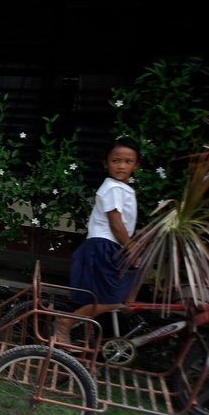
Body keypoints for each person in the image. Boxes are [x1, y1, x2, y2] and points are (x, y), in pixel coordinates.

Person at [54, 138, 141, 345]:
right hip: (104, 246)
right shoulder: (113, 188)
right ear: (105, 163)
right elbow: (116, 224)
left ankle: (123, 309)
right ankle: (65, 322)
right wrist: (131, 248)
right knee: (109, 300)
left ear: (136, 165)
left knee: (115, 293)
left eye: (128, 161)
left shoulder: (121, 188)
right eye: (116, 160)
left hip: (109, 246)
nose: (121, 166)